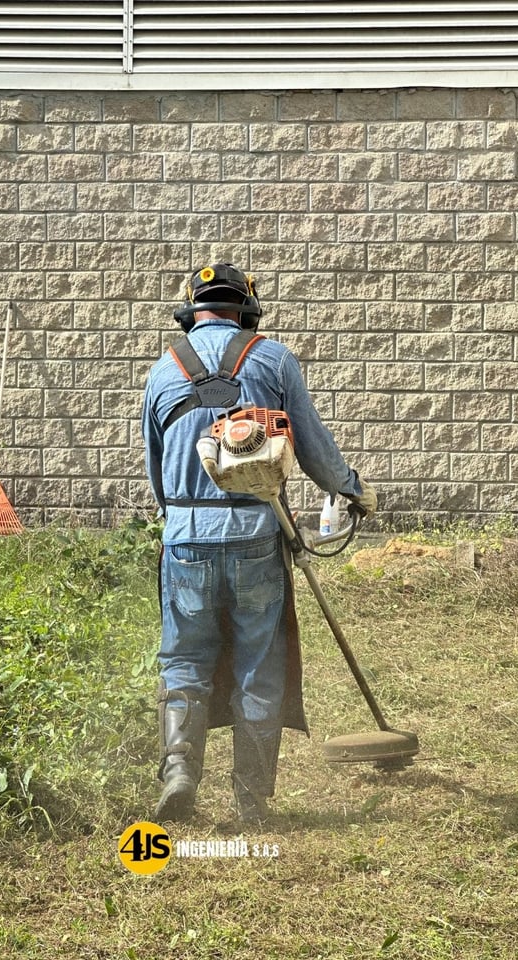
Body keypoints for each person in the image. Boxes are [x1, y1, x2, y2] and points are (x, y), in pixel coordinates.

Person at [141, 262, 377, 823]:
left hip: (185, 541)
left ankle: (180, 772)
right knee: (259, 663)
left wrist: (182, 519)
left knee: (184, 659)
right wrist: (352, 490)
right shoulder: (272, 359)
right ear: (246, 310)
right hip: (255, 537)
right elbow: (313, 447)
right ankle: (251, 800)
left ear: (192, 312)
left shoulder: (162, 370)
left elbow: (157, 474)